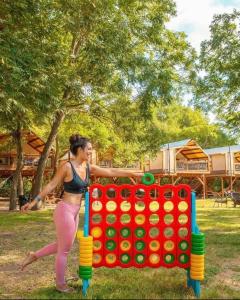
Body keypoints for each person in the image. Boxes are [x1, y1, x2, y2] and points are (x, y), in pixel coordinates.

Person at [20, 134, 143, 293]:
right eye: (89, 149)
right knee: (64, 250)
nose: (91, 152)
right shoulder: (67, 166)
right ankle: (60, 284)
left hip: (75, 211)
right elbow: (51, 185)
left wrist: (132, 174)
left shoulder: (88, 167)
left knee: (63, 246)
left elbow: (110, 170)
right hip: (64, 210)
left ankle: (34, 255)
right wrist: (33, 202)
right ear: (79, 150)